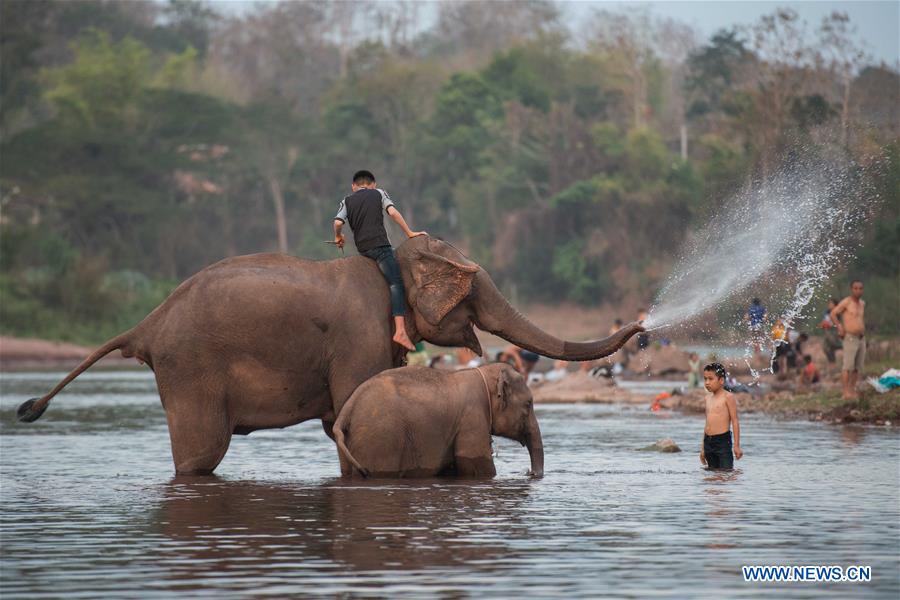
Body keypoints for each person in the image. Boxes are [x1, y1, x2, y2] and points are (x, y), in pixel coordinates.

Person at [334, 170, 425, 351]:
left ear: (354, 186)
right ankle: (400, 330)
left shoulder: (347, 200)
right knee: (395, 284)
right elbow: (393, 213)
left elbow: (337, 222)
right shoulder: (379, 193)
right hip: (381, 248)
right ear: (373, 184)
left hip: (363, 250)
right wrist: (409, 233)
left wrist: (338, 237)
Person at [700, 363, 743, 470]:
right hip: (708, 442)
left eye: (710, 379)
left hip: (722, 442)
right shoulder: (707, 398)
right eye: (705, 379)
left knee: (726, 473)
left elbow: (735, 421)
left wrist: (736, 446)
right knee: (711, 474)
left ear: (721, 380)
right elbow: (707, 424)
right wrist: (702, 449)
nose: (707, 383)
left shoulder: (728, 397)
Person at [830, 280, 866, 400]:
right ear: (851, 289)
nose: (858, 290)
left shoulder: (862, 303)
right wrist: (840, 327)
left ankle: (852, 390)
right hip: (850, 337)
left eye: (860, 288)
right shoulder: (847, 302)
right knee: (847, 366)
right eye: (855, 288)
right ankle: (845, 392)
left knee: (857, 367)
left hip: (861, 337)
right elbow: (833, 314)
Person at [819, 298, 842, 366]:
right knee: (825, 348)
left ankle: (841, 347)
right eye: (829, 304)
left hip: (834, 331)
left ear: (835, 305)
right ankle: (832, 362)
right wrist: (822, 324)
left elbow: (840, 322)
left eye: (831, 304)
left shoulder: (838, 312)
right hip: (827, 331)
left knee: (833, 344)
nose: (829, 305)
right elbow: (824, 321)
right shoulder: (826, 312)